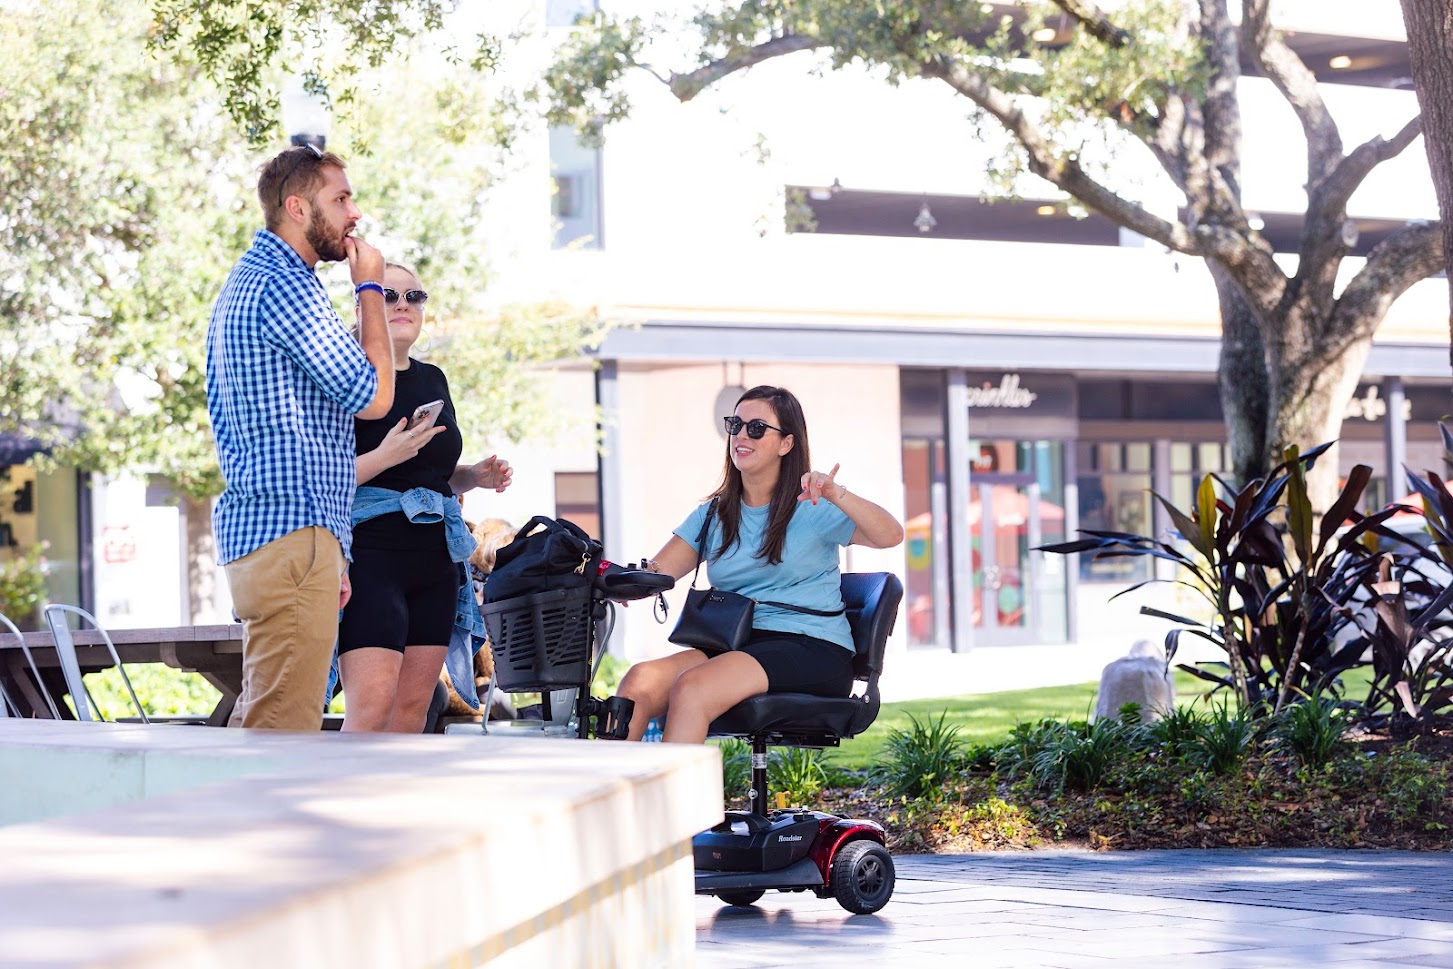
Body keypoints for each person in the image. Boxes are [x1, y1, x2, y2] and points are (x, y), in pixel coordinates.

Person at [207, 144, 397, 731]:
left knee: (265, 721)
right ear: (296, 207)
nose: (354, 213)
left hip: (281, 536)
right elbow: (374, 397)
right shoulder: (285, 286)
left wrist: (332, 552)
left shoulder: (251, 279)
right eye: (340, 199)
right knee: (282, 736)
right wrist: (370, 289)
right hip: (292, 536)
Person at [614, 385, 904, 743]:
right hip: (736, 643)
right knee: (639, 682)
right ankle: (615, 795)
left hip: (810, 646)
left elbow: (891, 535)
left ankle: (678, 800)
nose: (741, 435)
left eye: (756, 428)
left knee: (693, 688)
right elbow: (657, 572)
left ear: (786, 444)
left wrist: (835, 492)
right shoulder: (714, 514)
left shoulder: (813, 507)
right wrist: (616, 582)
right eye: (735, 424)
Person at [338, 263, 514, 732]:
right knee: (370, 709)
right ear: (363, 305)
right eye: (389, 295)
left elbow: (426, 476)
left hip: (434, 558)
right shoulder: (345, 377)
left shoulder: (433, 378)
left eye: (414, 296)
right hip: (371, 554)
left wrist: (473, 476)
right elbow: (321, 476)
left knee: (414, 710)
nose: (402, 305)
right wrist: (384, 453)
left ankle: (392, 807)